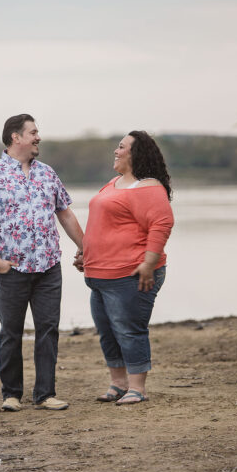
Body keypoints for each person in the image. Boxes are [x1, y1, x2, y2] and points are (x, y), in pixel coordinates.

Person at [0, 114, 84, 412]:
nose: (38, 137)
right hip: (12, 268)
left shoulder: (47, 173)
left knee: (48, 330)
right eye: (33, 132)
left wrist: (87, 249)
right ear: (15, 137)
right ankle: (11, 395)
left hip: (48, 267)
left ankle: (45, 394)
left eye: (37, 132)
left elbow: (66, 214)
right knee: (11, 332)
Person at [77, 130, 174, 405]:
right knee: (107, 331)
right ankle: (118, 383)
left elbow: (162, 223)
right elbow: (104, 225)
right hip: (99, 275)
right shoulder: (115, 183)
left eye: (121, 147)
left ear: (136, 154)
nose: (116, 151)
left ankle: (137, 388)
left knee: (129, 329)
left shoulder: (148, 187)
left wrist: (148, 263)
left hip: (131, 273)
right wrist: (85, 252)